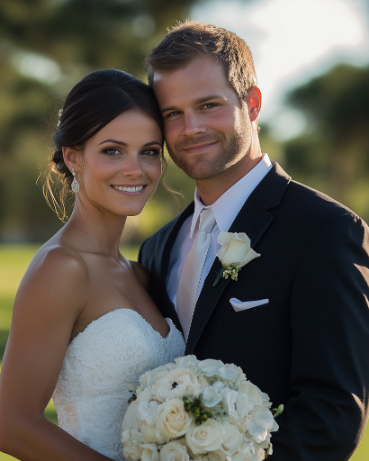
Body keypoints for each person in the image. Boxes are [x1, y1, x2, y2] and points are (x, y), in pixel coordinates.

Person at [139, 21, 369, 460]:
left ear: (253, 102)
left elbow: (334, 416)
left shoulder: (327, 232)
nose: (191, 128)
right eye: (173, 114)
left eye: (209, 105)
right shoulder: (157, 247)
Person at [0, 69, 185, 461]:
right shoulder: (62, 268)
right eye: (113, 150)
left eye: (149, 151)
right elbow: (11, 424)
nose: (136, 169)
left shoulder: (139, 272)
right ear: (73, 157)